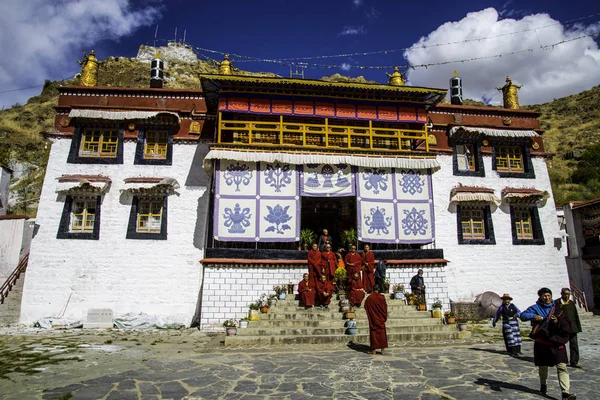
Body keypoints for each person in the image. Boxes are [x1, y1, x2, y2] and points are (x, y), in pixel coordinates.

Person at [521, 287, 576, 400]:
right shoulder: (536, 308)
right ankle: (543, 383)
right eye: (544, 296)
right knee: (543, 367)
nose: (547, 297)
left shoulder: (558, 308)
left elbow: (566, 322)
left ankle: (565, 393)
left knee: (562, 367)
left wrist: (557, 321)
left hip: (557, 342)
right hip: (543, 343)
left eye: (548, 295)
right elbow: (523, 316)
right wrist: (534, 316)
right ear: (540, 297)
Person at [556, 288, 582, 368]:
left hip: (572, 327)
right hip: (562, 327)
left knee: (574, 345)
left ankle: (574, 361)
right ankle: (558, 360)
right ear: (561, 294)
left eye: (568, 294)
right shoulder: (557, 303)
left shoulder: (571, 303)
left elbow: (575, 316)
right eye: (565, 294)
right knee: (559, 345)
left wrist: (577, 327)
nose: (566, 296)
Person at [364, 284, 388, 355]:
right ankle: (382, 350)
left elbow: (366, 306)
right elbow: (384, 307)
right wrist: (383, 316)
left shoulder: (369, 298)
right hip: (380, 319)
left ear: (372, 289)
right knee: (382, 333)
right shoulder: (382, 297)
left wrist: (371, 314)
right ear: (378, 289)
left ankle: (373, 350)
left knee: (374, 333)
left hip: (373, 319)